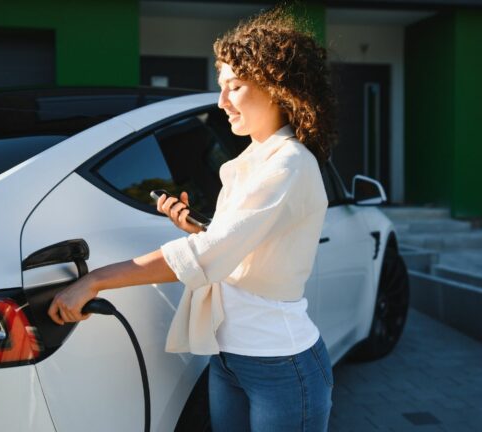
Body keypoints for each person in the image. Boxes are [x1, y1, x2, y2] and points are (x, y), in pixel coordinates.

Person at [48, 6, 336, 431]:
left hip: (281, 365)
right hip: (228, 359)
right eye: (221, 87)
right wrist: (198, 228)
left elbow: (209, 256)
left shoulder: (289, 164)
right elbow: (239, 249)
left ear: (278, 88)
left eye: (234, 87)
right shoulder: (255, 159)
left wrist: (94, 279)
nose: (222, 102)